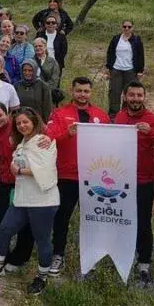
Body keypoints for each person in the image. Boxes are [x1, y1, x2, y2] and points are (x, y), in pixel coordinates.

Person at [0, 108, 60, 295]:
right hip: (22, 198)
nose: (22, 126)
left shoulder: (43, 141)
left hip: (42, 200)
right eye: (19, 123)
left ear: (34, 121)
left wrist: (20, 171)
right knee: (5, 229)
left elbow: (45, 169)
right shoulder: (22, 143)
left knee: (42, 240)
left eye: (26, 122)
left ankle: (42, 277)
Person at [43, 77, 110, 275]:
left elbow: (112, 142)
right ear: (72, 91)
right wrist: (67, 134)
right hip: (67, 176)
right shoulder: (60, 114)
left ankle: (91, 256)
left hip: (93, 178)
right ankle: (58, 255)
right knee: (62, 217)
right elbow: (49, 139)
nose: (82, 95)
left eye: (86, 91)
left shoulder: (101, 115)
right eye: (79, 91)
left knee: (92, 219)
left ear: (91, 93)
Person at [113, 81, 154, 283]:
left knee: (142, 223)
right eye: (132, 95)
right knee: (120, 220)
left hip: (143, 180)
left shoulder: (152, 119)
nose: (135, 99)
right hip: (119, 180)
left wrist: (150, 133)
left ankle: (144, 263)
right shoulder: (119, 117)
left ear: (144, 97)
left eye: (139, 95)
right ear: (125, 97)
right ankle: (122, 256)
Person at [0, 102, 34, 276]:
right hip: (5, 182)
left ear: (7, 114)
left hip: (23, 181)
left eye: (0, 115)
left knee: (25, 222)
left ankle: (20, 258)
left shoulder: (19, 128)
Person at [106, 19, 145, 115]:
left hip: (130, 70)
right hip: (116, 69)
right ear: (121, 27)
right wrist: (108, 68)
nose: (126, 28)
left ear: (132, 28)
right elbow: (110, 53)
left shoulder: (136, 40)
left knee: (129, 93)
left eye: (129, 27)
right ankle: (113, 115)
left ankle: (126, 114)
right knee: (114, 93)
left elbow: (140, 55)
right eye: (124, 26)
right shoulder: (116, 39)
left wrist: (140, 71)